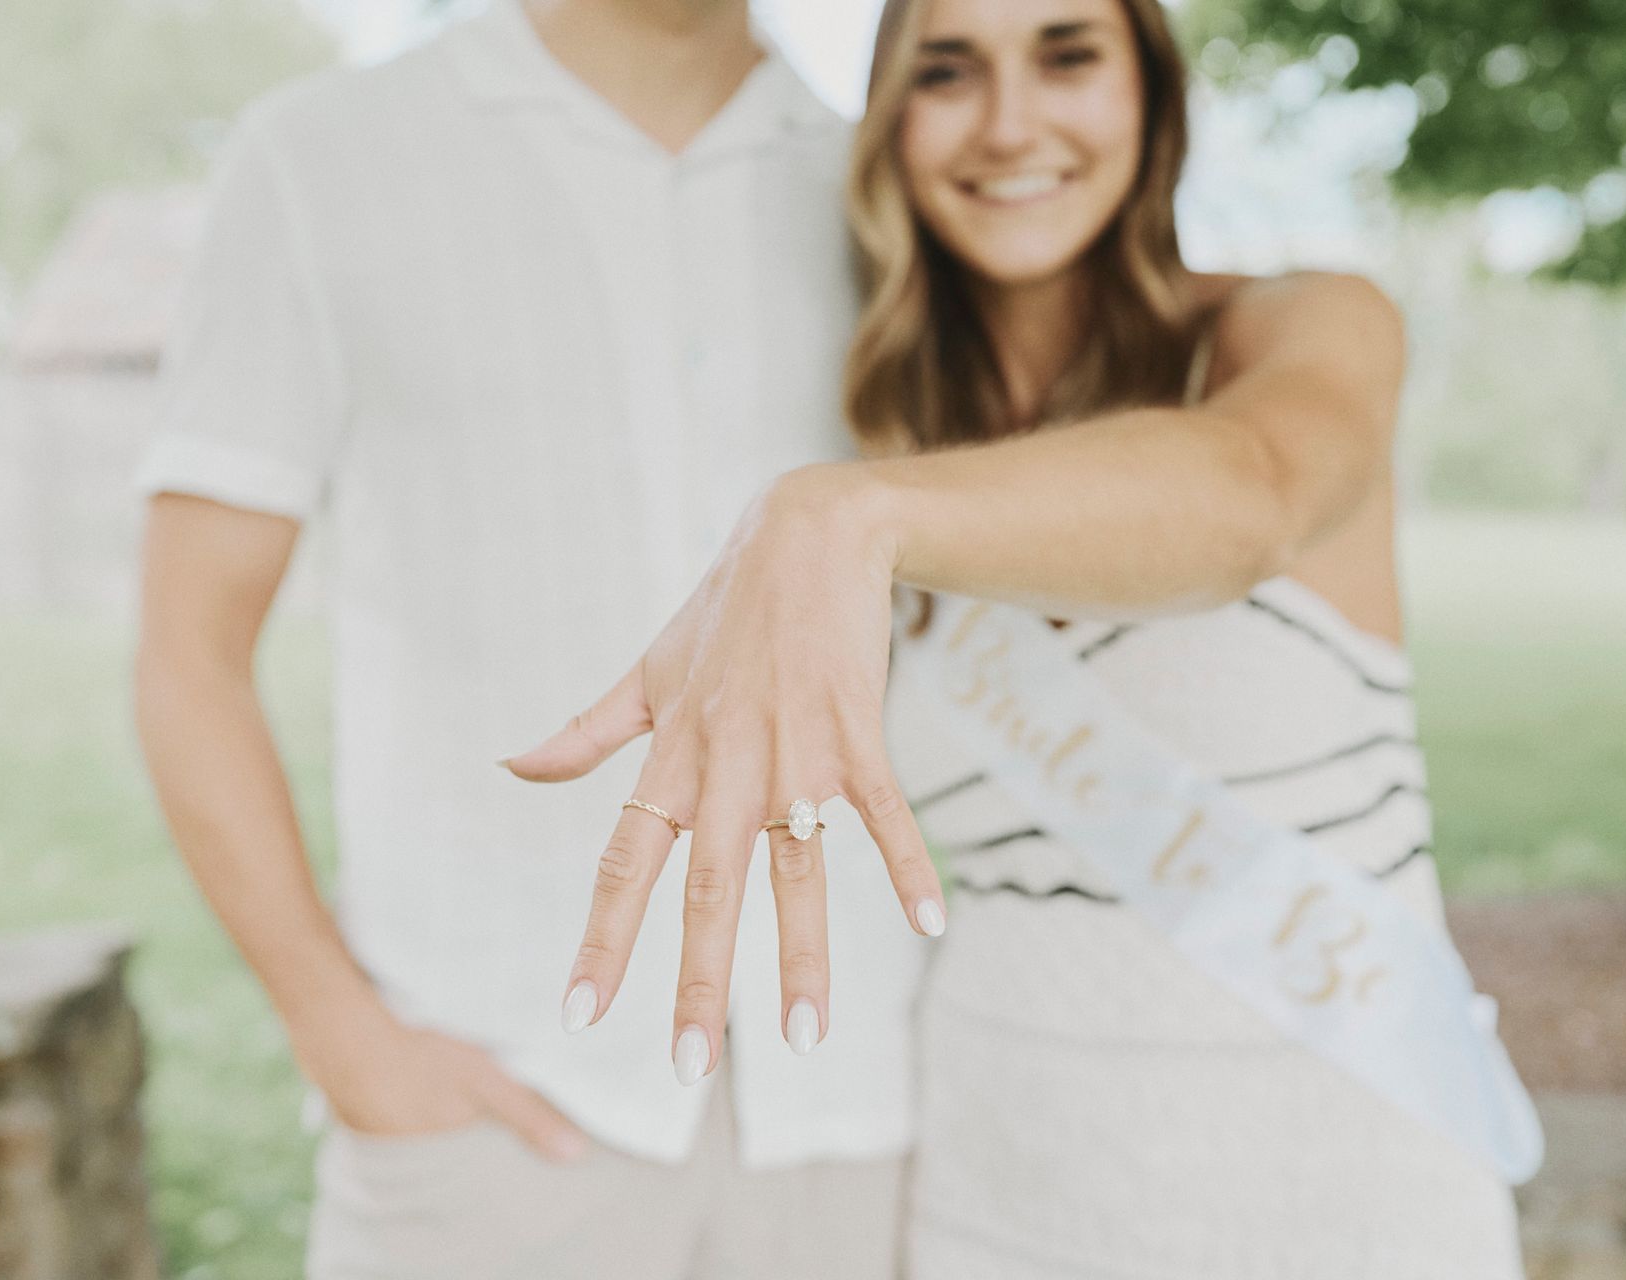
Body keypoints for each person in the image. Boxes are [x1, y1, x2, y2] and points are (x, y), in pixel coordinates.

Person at [501, 0, 1530, 1273]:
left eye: (1067, 54)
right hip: (1002, 1192)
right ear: (890, 125)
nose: (1010, 123)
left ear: (1150, 96)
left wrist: (841, 512)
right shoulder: (868, 441)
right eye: (947, 70)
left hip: (1346, 1180)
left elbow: (1258, 488)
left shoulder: (1299, 328)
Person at [130, 2, 932, 1276]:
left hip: (869, 1109)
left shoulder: (899, 184)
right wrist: (344, 1036)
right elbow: (188, 653)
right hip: (499, 1105)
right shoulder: (324, 157)